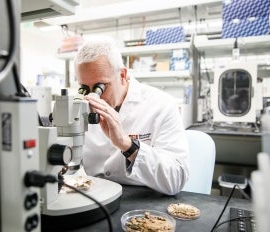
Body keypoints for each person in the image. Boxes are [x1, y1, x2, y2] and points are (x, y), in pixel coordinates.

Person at [75, 39, 189, 195]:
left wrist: (127, 145)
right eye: (84, 89)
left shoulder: (162, 105)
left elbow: (176, 179)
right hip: (94, 196)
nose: (94, 97)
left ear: (122, 74)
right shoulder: (80, 106)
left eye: (100, 87)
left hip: (144, 201)